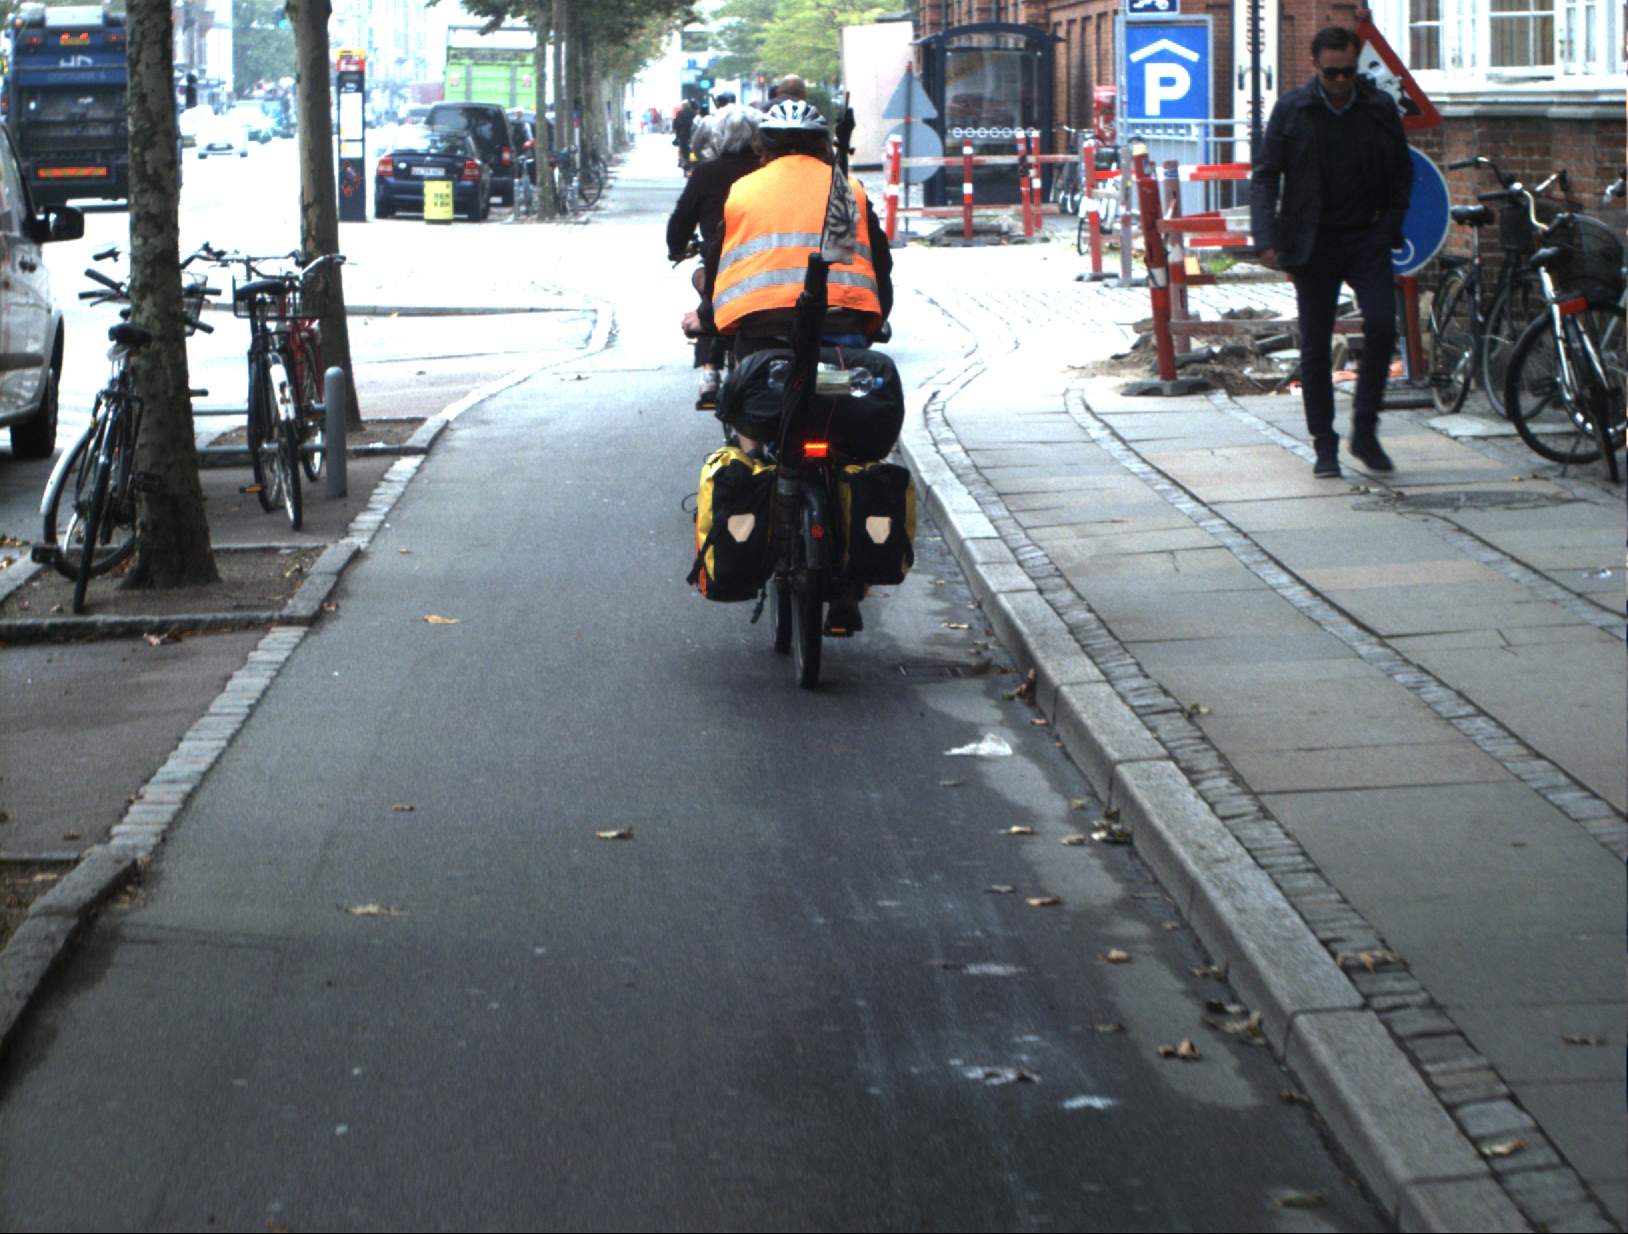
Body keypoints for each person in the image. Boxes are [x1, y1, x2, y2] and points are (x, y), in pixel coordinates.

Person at [701, 98, 895, 635]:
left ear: (763, 147)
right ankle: (849, 587)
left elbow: (718, 264)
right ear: (823, 146)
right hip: (839, 342)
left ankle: (754, 486)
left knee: (752, 416)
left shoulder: (743, 191)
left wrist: (710, 321)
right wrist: (876, 320)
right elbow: (877, 263)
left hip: (766, 345)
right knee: (846, 427)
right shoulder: (847, 189)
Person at [1250, 25, 1412, 478]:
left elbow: (1402, 172)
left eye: (1348, 72)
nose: (1341, 81)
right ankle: (1324, 444)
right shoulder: (1292, 109)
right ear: (1315, 66)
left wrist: (1389, 226)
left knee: (1382, 326)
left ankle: (1365, 429)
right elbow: (1265, 175)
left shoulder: (1378, 107)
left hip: (1366, 237)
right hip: (1312, 240)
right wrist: (1266, 238)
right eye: (1331, 73)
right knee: (1316, 345)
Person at [666, 106, 763, 407]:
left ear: (719, 136)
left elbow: (681, 218)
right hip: (765, 261)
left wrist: (676, 248)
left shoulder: (706, 173)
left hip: (721, 263)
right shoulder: (767, 169)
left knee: (708, 285)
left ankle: (710, 371)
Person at [672, 98, 698, 170]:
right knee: (691, 150)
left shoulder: (680, 113)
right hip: (691, 135)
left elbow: (675, 125)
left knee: (684, 150)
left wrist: (677, 135)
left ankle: (685, 162)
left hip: (683, 135)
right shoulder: (694, 113)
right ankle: (693, 163)